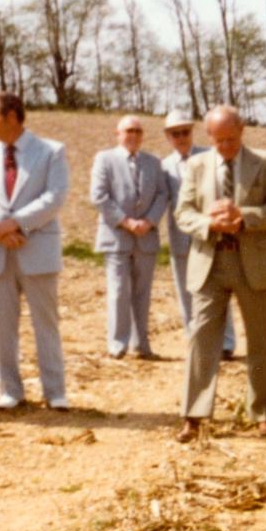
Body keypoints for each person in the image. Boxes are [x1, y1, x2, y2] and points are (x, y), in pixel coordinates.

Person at [174, 104, 266, 443]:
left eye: (231, 138)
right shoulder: (196, 166)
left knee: (259, 340)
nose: (225, 146)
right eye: (218, 140)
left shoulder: (264, 162)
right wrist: (210, 222)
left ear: (242, 131)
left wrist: (243, 218)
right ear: (208, 136)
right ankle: (193, 416)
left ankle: (264, 414)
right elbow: (183, 213)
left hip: (252, 261)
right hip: (211, 261)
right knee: (202, 340)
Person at [0, 92, 69, 411]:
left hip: (36, 248)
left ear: (12, 116)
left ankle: (55, 392)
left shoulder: (51, 151)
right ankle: (10, 390)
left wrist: (17, 224)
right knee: (3, 328)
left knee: (46, 324)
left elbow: (55, 196)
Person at [90, 115, 168, 359]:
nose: (133, 135)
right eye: (128, 130)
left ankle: (141, 345)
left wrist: (149, 221)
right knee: (119, 291)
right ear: (118, 134)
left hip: (146, 237)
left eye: (137, 130)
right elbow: (99, 196)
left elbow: (163, 194)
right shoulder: (105, 159)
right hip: (116, 237)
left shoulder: (154, 162)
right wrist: (126, 222)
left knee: (142, 294)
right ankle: (117, 345)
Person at [160, 110, 236, 360]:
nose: (181, 137)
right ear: (168, 137)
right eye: (175, 133)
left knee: (219, 290)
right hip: (181, 239)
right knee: (186, 292)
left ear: (192, 132)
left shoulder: (210, 156)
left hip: (211, 237)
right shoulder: (165, 166)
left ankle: (225, 343)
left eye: (185, 132)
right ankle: (196, 341)